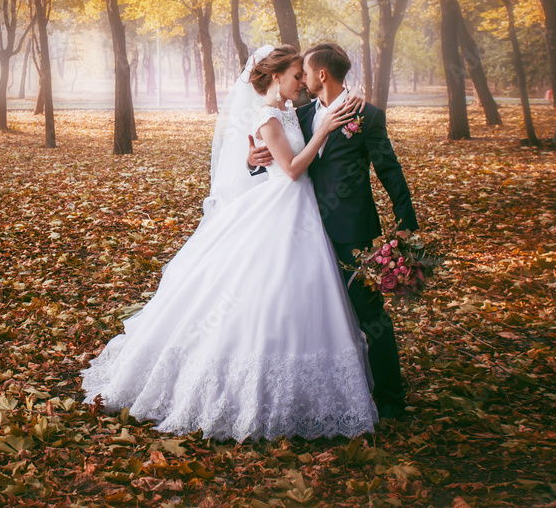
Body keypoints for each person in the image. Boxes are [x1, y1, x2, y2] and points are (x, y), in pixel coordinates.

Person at [81, 44, 378, 442]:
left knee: (302, 294)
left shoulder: (294, 111)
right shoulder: (269, 115)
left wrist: (335, 110)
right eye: (295, 76)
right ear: (277, 77)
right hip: (283, 204)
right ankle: (244, 386)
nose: (302, 83)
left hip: (303, 210)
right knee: (261, 291)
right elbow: (289, 169)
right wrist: (316, 133)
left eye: (303, 76)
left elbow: (307, 127)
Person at [247, 42, 418, 420]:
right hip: (299, 231)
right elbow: (280, 157)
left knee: (369, 316)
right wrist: (252, 161)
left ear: (321, 74)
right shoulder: (301, 113)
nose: (303, 80)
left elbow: (391, 173)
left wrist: (408, 230)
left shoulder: (366, 116)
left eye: (305, 73)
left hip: (350, 233)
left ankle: (390, 398)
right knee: (309, 315)